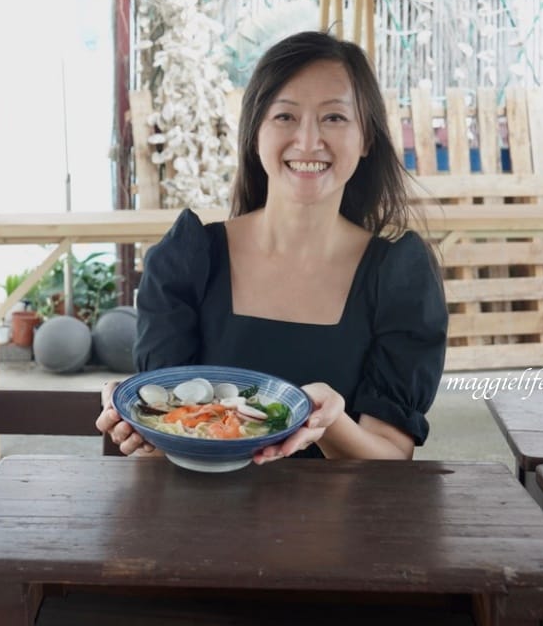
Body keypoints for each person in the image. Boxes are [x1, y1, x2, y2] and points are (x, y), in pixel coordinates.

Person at [97, 31, 447, 462]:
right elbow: (165, 446)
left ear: (367, 139)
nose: (308, 141)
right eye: (285, 116)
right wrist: (138, 423)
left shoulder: (399, 277)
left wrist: (327, 421)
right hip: (203, 505)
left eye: (334, 117)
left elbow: (392, 461)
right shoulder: (188, 261)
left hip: (342, 509)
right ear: (255, 132)